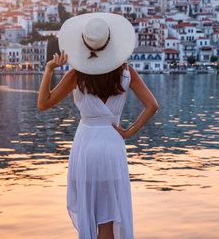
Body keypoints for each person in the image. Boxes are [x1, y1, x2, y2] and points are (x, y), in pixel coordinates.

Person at [37, 13, 158, 239]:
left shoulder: (76, 75)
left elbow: (43, 104)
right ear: (111, 43)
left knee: (89, 214)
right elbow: (152, 106)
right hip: (112, 147)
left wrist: (49, 69)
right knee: (107, 220)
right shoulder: (126, 73)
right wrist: (128, 132)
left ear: (85, 45)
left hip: (86, 149)